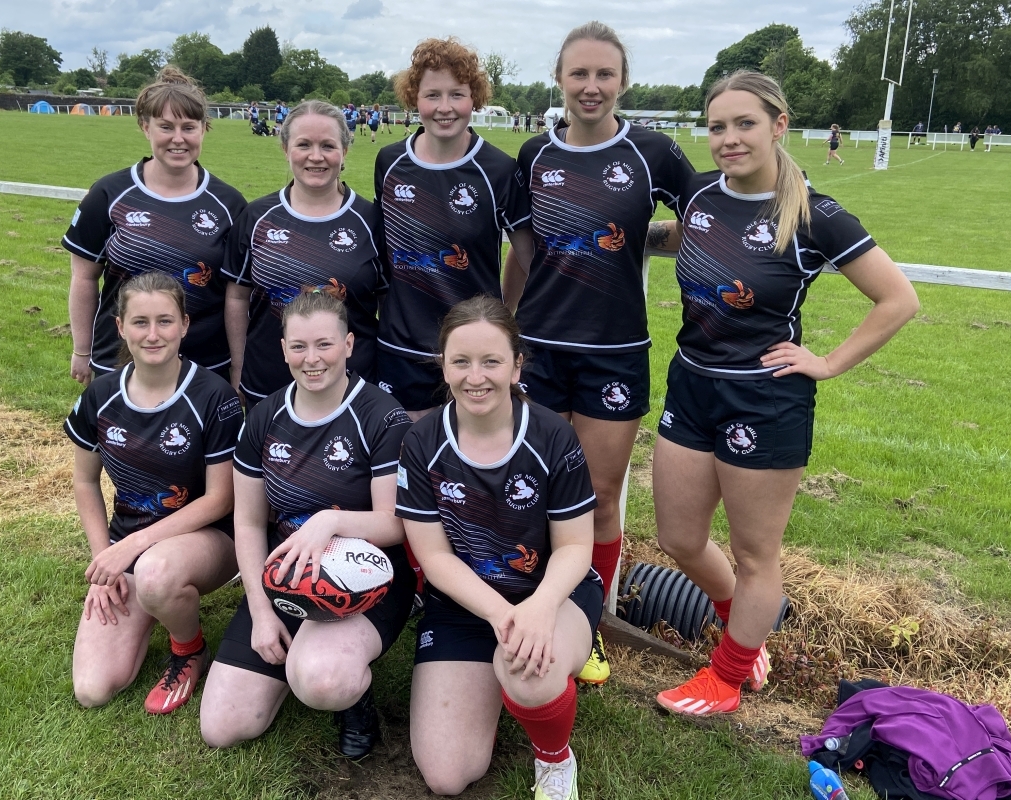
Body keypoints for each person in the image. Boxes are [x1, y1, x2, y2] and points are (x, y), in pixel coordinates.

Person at [645, 70, 919, 716]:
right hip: (691, 383)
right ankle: (743, 622)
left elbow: (898, 299)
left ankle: (729, 676)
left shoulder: (814, 215)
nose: (729, 139)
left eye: (745, 124)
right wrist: (621, 243)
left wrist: (826, 362)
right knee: (679, 537)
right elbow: (682, 240)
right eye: (717, 127)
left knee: (754, 553)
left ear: (778, 125)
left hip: (764, 402)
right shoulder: (702, 195)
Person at [501, 21, 695, 686]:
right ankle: (523, 603)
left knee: (600, 495)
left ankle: (589, 624)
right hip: (541, 351)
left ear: (622, 82)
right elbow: (523, 252)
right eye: (578, 74)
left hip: (615, 350)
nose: (591, 87)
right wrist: (504, 327)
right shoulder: (532, 155)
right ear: (559, 79)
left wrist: (652, 236)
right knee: (530, 491)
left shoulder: (652, 152)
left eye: (603, 75)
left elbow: (705, 216)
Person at [397, 296, 599, 800]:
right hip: (466, 607)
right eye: (461, 361)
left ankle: (554, 760)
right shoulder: (422, 441)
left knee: (528, 673)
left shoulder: (553, 436)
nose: (476, 376)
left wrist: (537, 609)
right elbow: (434, 556)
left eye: (491, 361)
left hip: (550, 597)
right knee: (447, 774)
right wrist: (499, 615)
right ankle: (502, 676)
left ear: (516, 366)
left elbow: (576, 545)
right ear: (443, 365)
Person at [199, 290, 416, 758]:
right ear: (283, 350)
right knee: (223, 726)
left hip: (365, 577)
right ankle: (294, 647)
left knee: (321, 680)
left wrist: (328, 524)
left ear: (350, 344)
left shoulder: (382, 416)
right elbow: (251, 521)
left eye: (324, 344)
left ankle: (352, 699)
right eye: (298, 346)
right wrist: (260, 610)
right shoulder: (263, 416)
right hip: (285, 577)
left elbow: (393, 526)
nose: (311, 359)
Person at [67, 271, 243, 714]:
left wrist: (131, 548)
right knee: (93, 688)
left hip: (209, 541)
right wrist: (103, 560)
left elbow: (221, 499)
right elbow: (85, 481)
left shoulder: (213, 396)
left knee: (156, 572)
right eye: (140, 322)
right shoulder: (101, 396)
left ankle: (189, 649)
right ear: (120, 327)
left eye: (165, 321)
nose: (153, 334)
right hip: (129, 549)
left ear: (184, 324)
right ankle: (149, 606)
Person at [375, 36, 533, 420]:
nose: (444, 108)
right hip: (401, 348)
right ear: (415, 99)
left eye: (456, 95)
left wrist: (501, 318)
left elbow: (530, 257)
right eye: (432, 95)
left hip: (472, 355)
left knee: (468, 467)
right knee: (407, 467)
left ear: (474, 98)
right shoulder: (390, 162)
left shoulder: (497, 169)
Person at [65, 67, 246, 385]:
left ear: (204, 129)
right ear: (144, 127)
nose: (178, 139)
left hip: (205, 364)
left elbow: (237, 296)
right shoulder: (109, 194)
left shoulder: (229, 204)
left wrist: (237, 367)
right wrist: (82, 350)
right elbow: (83, 277)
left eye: (189, 127)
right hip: (120, 359)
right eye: (166, 127)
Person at [223, 99, 383, 408]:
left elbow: (389, 306)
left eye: (328, 145)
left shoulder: (371, 220)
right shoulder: (256, 217)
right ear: (285, 148)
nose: (316, 156)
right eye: (303, 144)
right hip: (267, 383)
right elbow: (237, 297)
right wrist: (239, 367)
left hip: (351, 389)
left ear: (345, 150)